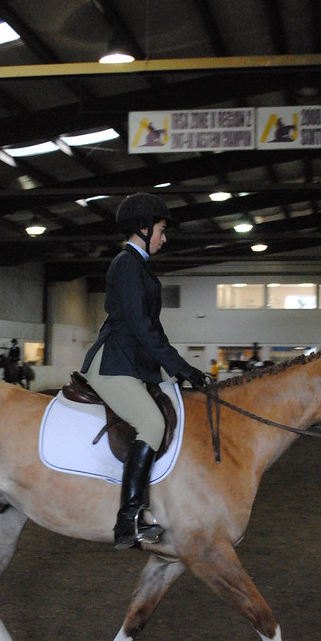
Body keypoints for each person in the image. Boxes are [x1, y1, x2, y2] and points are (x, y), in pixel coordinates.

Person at [81, 193, 206, 550]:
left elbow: (153, 328)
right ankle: (127, 521)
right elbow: (139, 326)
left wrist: (182, 369)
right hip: (114, 364)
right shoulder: (125, 264)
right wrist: (178, 365)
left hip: (133, 362)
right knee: (152, 424)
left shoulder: (139, 266)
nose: (164, 237)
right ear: (143, 227)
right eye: (162, 230)